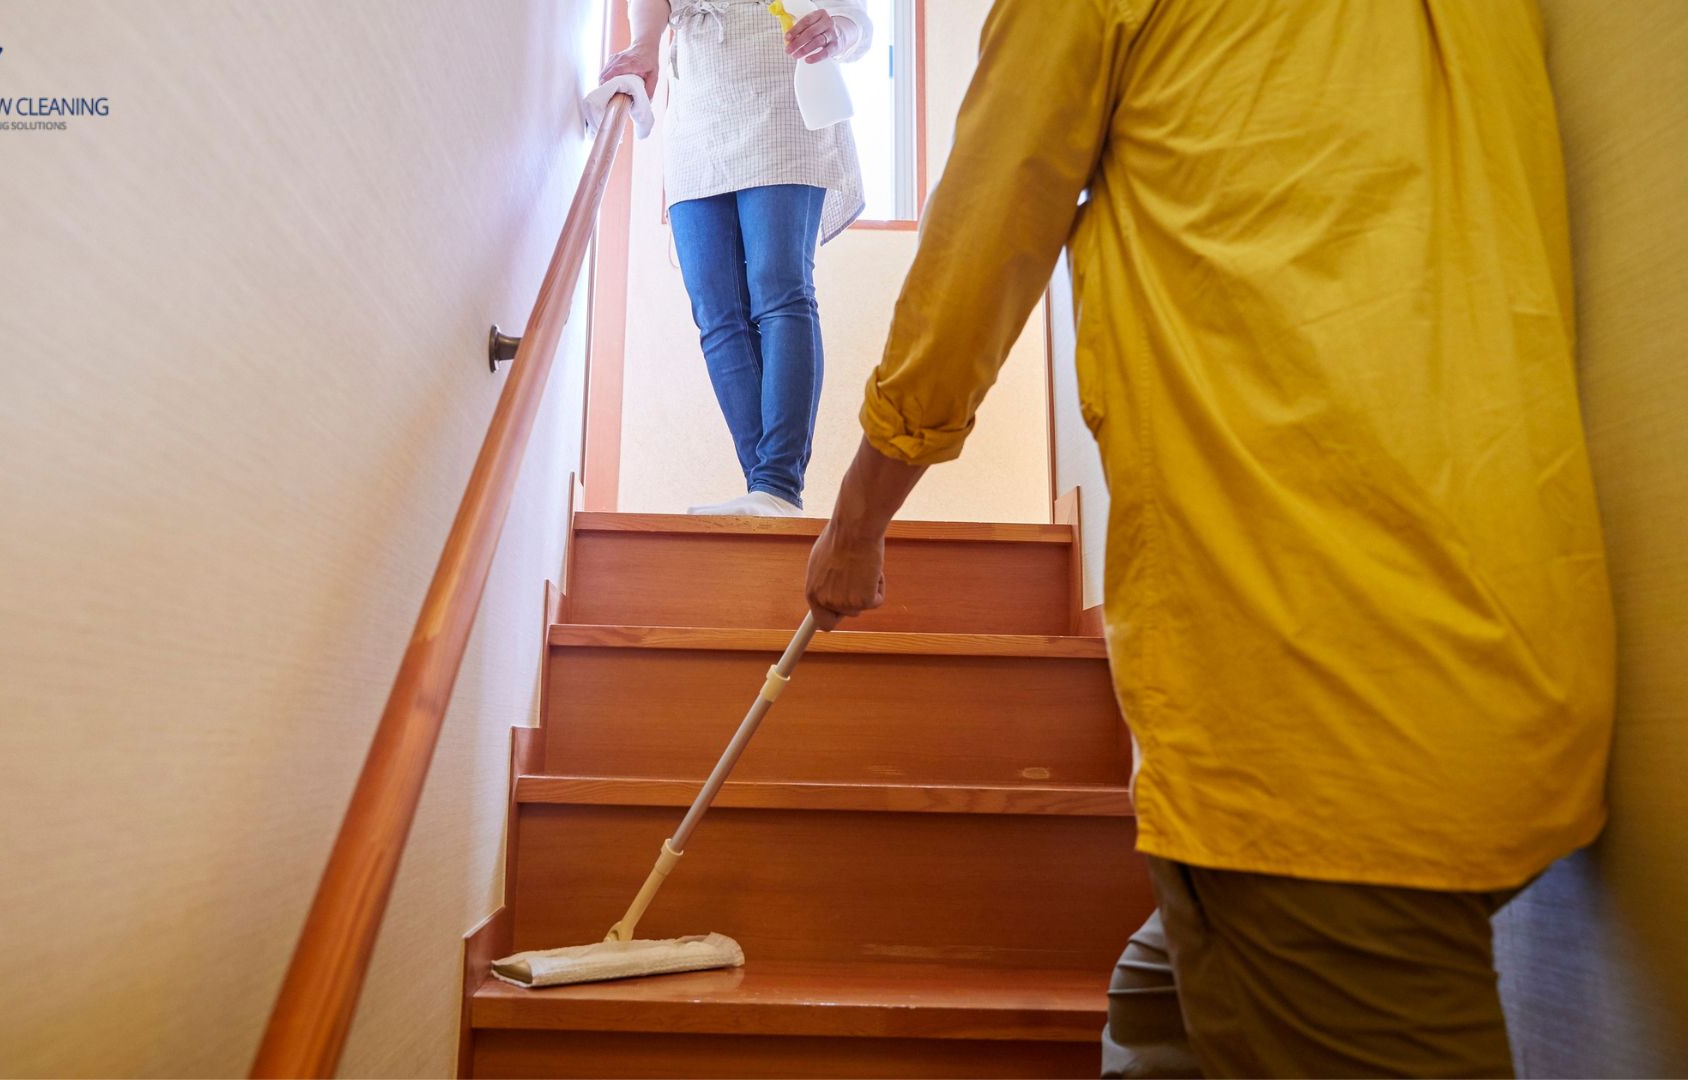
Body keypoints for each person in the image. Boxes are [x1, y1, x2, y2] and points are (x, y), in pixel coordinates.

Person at [801, 1, 1615, 1076]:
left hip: (1319, 691)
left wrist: (858, 517)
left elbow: (984, 232)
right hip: (1512, 664)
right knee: (1160, 1010)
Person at [599, 0, 873, 518]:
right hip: (698, 109)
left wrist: (836, 30)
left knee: (780, 288)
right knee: (716, 312)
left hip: (782, 87)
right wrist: (644, 44)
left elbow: (856, 18)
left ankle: (776, 484)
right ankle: (767, 492)